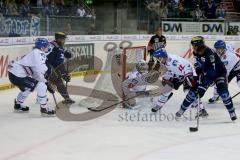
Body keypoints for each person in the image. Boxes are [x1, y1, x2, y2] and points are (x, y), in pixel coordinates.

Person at [176, 36, 237, 121]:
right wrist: (198, 71)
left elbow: (213, 70)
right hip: (207, 74)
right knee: (193, 92)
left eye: (194, 45)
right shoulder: (196, 52)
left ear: (199, 45)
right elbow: (199, 65)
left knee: (223, 93)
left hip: (219, 73)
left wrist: (204, 84)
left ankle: (232, 112)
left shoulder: (210, 53)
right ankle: (181, 110)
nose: (193, 47)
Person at [150, 48, 206, 115]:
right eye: (157, 58)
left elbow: (186, 66)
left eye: (159, 58)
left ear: (164, 56)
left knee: (188, 92)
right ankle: (159, 105)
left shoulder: (173, 62)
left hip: (188, 72)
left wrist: (188, 77)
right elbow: (168, 71)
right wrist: (166, 80)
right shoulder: (165, 60)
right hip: (177, 73)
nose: (158, 60)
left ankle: (201, 109)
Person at [8, 38, 56, 116]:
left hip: (14, 74)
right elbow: (39, 70)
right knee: (42, 86)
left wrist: (45, 81)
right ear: (42, 47)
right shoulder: (39, 53)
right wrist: (46, 83)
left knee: (29, 87)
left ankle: (18, 105)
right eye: (46, 45)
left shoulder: (35, 52)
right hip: (18, 75)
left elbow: (36, 73)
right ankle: (44, 109)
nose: (48, 47)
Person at [46, 32, 75, 104]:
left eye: (64, 39)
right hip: (46, 68)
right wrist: (55, 73)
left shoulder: (58, 46)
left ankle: (41, 97)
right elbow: (49, 61)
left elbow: (59, 63)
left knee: (47, 83)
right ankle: (67, 99)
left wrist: (64, 74)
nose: (64, 41)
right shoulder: (54, 47)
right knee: (58, 82)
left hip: (49, 68)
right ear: (58, 39)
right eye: (63, 39)